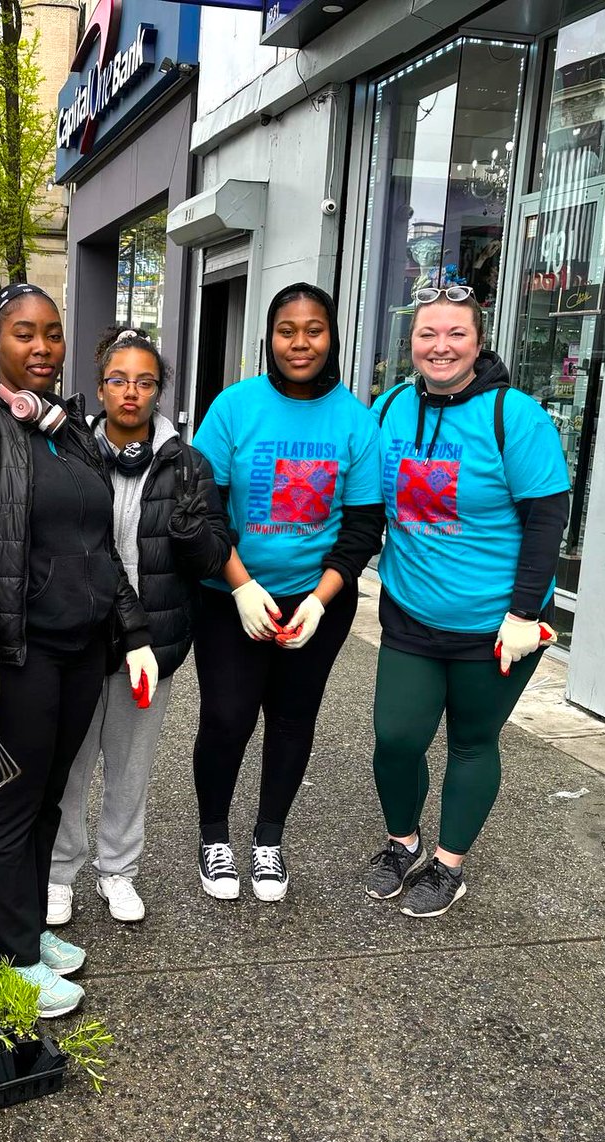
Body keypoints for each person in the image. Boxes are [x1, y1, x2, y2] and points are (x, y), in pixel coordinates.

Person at [0, 283, 158, 1016]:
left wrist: (135, 632)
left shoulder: (69, 432)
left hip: (78, 651)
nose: (43, 347)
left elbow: (100, 549)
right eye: (25, 334)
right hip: (11, 658)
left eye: (52, 334)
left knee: (50, 797)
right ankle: (3, 957)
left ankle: (21, 931)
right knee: (8, 803)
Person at [365, 284, 569, 917]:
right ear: (411, 343)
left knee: (472, 741)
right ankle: (403, 841)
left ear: (478, 341)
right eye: (428, 334)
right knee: (396, 738)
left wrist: (525, 615)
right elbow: (368, 502)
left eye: (455, 333)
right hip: (410, 608)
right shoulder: (393, 406)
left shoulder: (516, 416)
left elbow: (547, 519)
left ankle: (449, 864)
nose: (440, 346)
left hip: (494, 624)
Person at [192, 282, 384, 902]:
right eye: (286, 330)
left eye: (314, 330)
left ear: (333, 337)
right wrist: (242, 586)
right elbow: (201, 512)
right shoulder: (233, 408)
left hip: (315, 600)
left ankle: (269, 839)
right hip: (231, 597)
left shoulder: (357, 420)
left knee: (293, 719)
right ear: (268, 338)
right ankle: (214, 836)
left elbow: (361, 528)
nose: (300, 343)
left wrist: (320, 600)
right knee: (227, 717)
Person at [47, 328, 231, 926]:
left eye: (145, 381)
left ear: (160, 391)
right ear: (99, 387)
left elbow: (213, 554)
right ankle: (58, 872)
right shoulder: (68, 452)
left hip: (152, 643)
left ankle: (118, 871)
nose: (131, 392)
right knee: (69, 763)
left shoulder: (189, 463)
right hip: (78, 640)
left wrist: (193, 531)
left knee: (130, 766)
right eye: (119, 380)